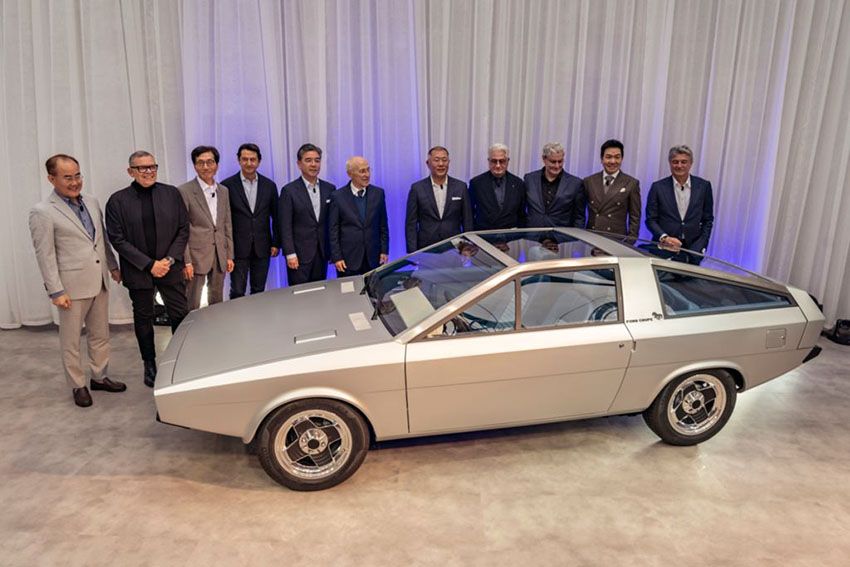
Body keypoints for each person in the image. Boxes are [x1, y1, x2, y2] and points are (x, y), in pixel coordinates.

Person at [29, 154, 125, 407]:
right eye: (67, 177)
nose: (75, 182)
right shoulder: (43, 212)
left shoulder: (91, 201)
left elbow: (101, 239)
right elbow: (45, 255)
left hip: (99, 280)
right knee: (71, 341)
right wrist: (55, 291)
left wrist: (113, 266)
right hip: (70, 288)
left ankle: (100, 377)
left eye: (77, 175)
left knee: (100, 334)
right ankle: (77, 384)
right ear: (52, 179)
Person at [105, 150, 189, 387]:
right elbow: (117, 239)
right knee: (143, 319)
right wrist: (150, 265)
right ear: (130, 171)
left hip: (170, 268)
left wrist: (168, 260)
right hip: (138, 271)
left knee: (180, 315)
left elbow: (183, 229)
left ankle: (180, 360)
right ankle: (149, 364)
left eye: (152, 166)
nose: (149, 171)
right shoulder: (117, 201)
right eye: (142, 168)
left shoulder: (171, 194)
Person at [178, 146, 234, 310]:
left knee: (217, 301)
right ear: (194, 166)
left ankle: (216, 326)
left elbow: (226, 224)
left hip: (219, 254)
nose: (206, 167)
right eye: (200, 163)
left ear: (217, 165)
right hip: (196, 256)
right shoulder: (184, 191)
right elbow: (182, 228)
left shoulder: (223, 191)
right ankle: (191, 327)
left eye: (210, 162)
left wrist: (229, 255)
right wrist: (186, 261)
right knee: (192, 302)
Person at [221, 143, 280, 299]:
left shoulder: (269, 186)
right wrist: (226, 247)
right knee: (237, 290)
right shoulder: (227, 186)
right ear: (239, 160)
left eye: (252, 159)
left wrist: (276, 243)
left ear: (259, 161)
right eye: (245, 159)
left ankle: (257, 316)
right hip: (238, 247)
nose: (248, 163)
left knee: (259, 290)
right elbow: (223, 220)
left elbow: (276, 216)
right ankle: (237, 315)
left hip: (263, 246)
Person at [645, 144, 714, 264]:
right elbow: (651, 219)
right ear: (670, 163)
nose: (679, 165)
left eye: (684, 162)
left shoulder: (704, 186)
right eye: (675, 162)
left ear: (691, 163)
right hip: (664, 249)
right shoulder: (657, 187)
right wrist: (664, 237)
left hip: (693, 250)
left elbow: (708, 220)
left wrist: (701, 245)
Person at [279, 143, 336, 284]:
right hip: (299, 255)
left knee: (320, 290)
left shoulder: (329, 188)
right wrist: (290, 253)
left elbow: (332, 223)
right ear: (299, 164)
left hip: (322, 252)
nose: (313, 164)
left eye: (317, 160)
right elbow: (285, 226)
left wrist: (333, 251)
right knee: (299, 293)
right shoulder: (289, 191)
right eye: (308, 160)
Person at [328, 157, 389, 276]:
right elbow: (333, 230)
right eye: (362, 171)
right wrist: (337, 257)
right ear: (350, 174)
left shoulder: (378, 193)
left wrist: (384, 250)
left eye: (368, 170)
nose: (367, 175)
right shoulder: (338, 196)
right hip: (347, 260)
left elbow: (383, 225)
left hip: (373, 258)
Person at [405, 146, 473, 253]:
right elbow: (411, 224)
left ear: (449, 162)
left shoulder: (461, 187)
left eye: (444, 160)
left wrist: (468, 246)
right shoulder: (417, 188)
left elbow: (467, 220)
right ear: (428, 163)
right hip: (426, 248)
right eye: (436, 160)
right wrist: (412, 253)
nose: (441, 164)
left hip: (454, 248)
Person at [583, 139, 641, 238]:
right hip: (592, 238)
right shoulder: (589, 181)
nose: (613, 161)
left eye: (617, 157)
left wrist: (629, 241)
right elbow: (579, 213)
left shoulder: (631, 183)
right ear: (601, 159)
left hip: (616, 240)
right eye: (608, 157)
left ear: (622, 159)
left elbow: (635, 217)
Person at [523, 142, 585, 228]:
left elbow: (579, 218)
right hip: (532, 234)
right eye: (553, 162)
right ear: (544, 159)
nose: (557, 166)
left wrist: (576, 235)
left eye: (560, 161)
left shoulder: (575, 184)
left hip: (560, 235)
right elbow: (520, 209)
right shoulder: (529, 179)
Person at [468, 143, 526, 230]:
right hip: (483, 235)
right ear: (488, 161)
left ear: (508, 161)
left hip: (510, 236)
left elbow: (521, 214)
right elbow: (469, 214)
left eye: (502, 161)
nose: (498, 165)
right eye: (494, 161)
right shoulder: (476, 183)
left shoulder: (518, 183)